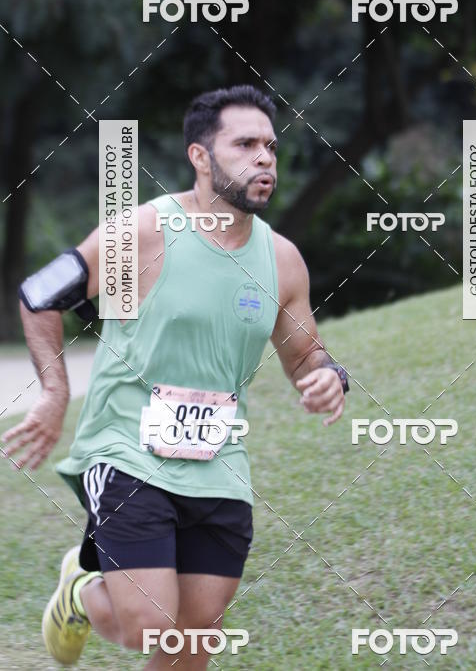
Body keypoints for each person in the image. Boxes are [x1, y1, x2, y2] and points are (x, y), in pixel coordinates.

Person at [4, 85, 349, 668]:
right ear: (200, 156)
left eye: (270, 146)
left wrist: (327, 377)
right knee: (152, 627)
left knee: (196, 636)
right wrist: (55, 395)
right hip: (127, 452)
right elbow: (40, 295)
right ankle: (81, 591)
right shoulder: (143, 232)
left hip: (218, 464)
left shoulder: (281, 260)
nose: (264, 158)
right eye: (245, 144)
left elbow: (306, 355)